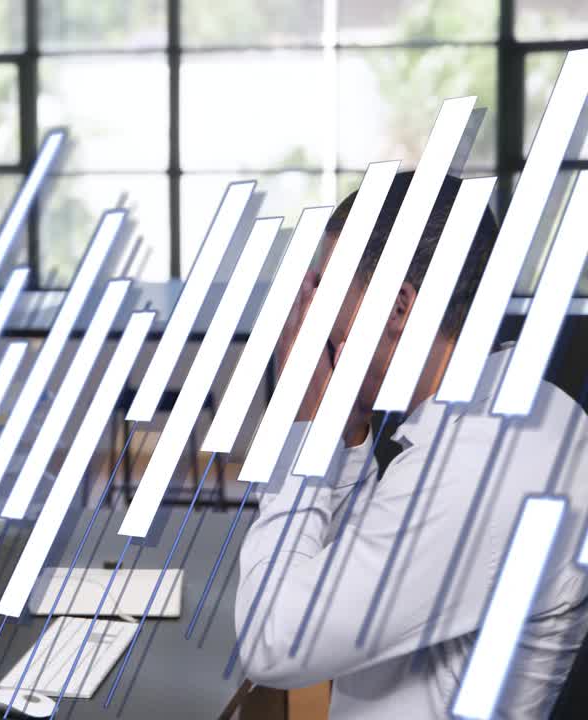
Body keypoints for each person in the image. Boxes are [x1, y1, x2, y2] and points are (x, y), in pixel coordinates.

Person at [235, 172, 588, 718]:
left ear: (398, 308)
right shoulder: (508, 409)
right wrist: (349, 438)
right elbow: (358, 563)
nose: (314, 324)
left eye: (327, 294)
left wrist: (304, 432)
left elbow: (269, 641)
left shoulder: (470, 467)